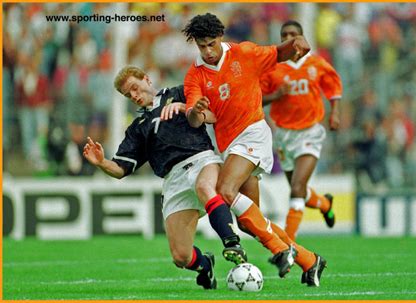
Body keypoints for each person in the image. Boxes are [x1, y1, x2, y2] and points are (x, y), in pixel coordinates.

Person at [182, 13, 327, 287]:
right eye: (202, 46)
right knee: (251, 222)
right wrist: (197, 112)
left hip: (253, 132)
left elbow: (280, 53)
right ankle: (310, 261)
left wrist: (297, 41)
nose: (208, 51)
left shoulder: (245, 53)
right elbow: (193, 115)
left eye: (211, 44)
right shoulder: (195, 74)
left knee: (225, 190)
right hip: (229, 147)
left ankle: (281, 250)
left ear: (221, 38)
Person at [83, 66, 248, 290]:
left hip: (201, 159)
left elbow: (212, 116)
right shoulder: (137, 128)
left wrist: (193, 110)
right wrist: (102, 162)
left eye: (134, 88)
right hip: (173, 179)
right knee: (180, 256)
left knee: (204, 186)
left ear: (147, 80)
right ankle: (205, 265)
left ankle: (231, 241)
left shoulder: (180, 93)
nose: (133, 95)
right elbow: (121, 169)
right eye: (127, 95)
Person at [260, 20, 342, 240]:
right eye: (284, 34)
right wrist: (277, 95)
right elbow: (256, 99)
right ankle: (324, 204)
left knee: (296, 188)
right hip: (284, 135)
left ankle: (289, 243)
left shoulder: (316, 64)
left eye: (293, 34)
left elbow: (333, 86)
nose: (288, 38)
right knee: (300, 190)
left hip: (310, 131)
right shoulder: (273, 68)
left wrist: (335, 112)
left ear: (302, 38)